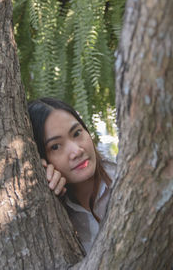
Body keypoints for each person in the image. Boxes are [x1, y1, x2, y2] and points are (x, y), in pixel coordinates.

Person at [28, 97, 116, 253]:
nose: (76, 151)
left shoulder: (125, 179)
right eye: (55, 146)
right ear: (40, 158)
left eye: (76, 133)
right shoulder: (48, 215)